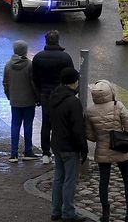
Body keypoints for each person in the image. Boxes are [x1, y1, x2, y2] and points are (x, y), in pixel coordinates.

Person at [85, 80, 128, 222]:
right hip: (121, 148)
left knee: (104, 182)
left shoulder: (90, 111)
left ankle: (106, 214)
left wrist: (101, 137)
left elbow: (89, 135)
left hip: (102, 150)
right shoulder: (117, 106)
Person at [49, 68, 87, 222]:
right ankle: (68, 213)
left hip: (57, 144)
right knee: (69, 180)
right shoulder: (73, 102)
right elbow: (78, 129)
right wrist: (83, 149)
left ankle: (56, 211)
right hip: (69, 147)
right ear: (74, 82)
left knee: (58, 178)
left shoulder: (54, 96)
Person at [32, 30, 75, 164]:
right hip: (61, 95)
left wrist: (38, 95)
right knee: (61, 124)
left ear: (46, 41)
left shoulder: (38, 57)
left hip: (45, 95)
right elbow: (71, 77)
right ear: (58, 40)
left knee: (46, 124)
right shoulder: (65, 57)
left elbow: (35, 78)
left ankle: (46, 153)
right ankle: (60, 151)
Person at [3, 40, 39, 163]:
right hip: (28, 101)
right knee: (28, 126)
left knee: (15, 126)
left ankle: (13, 154)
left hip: (15, 100)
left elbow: (5, 83)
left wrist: (9, 96)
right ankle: (28, 151)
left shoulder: (8, 65)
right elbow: (34, 83)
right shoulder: (29, 65)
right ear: (25, 51)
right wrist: (37, 97)